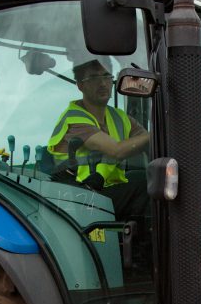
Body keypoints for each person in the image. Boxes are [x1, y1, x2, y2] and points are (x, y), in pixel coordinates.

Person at [47, 57, 150, 221]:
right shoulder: (74, 118)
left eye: (106, 76)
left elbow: (147, 141)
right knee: (144, 184)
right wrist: (153, 135)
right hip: (76, 196)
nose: (102, 83)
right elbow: (116, 150)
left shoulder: (119, 117)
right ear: (80, 85)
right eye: (94, 78)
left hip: (103, 191)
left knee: (153, 178)